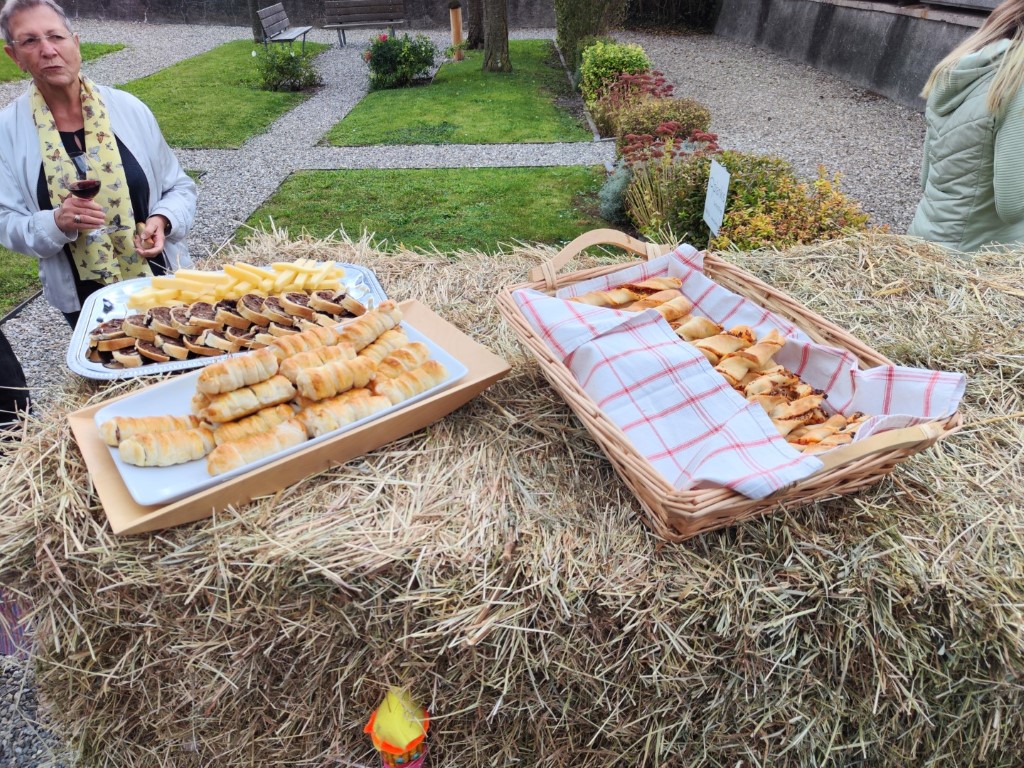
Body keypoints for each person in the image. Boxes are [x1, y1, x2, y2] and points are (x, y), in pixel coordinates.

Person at [0, 0, 196, 329]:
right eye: (30, 41)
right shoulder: (7, 133)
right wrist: (56, 223)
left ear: (75, 42)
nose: (48, 50)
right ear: (14, 56)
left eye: (56, 36)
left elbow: (179, 187)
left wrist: (162, 219)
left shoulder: (129, 109)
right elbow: (6, 223)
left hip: (161, 282)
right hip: (86, 304)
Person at [908, 0, 1024, 252]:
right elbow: (1012, 207)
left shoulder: (955, 73)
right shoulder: (1018, 83)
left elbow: (926, 177)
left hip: (922, 241)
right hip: (975, 262)